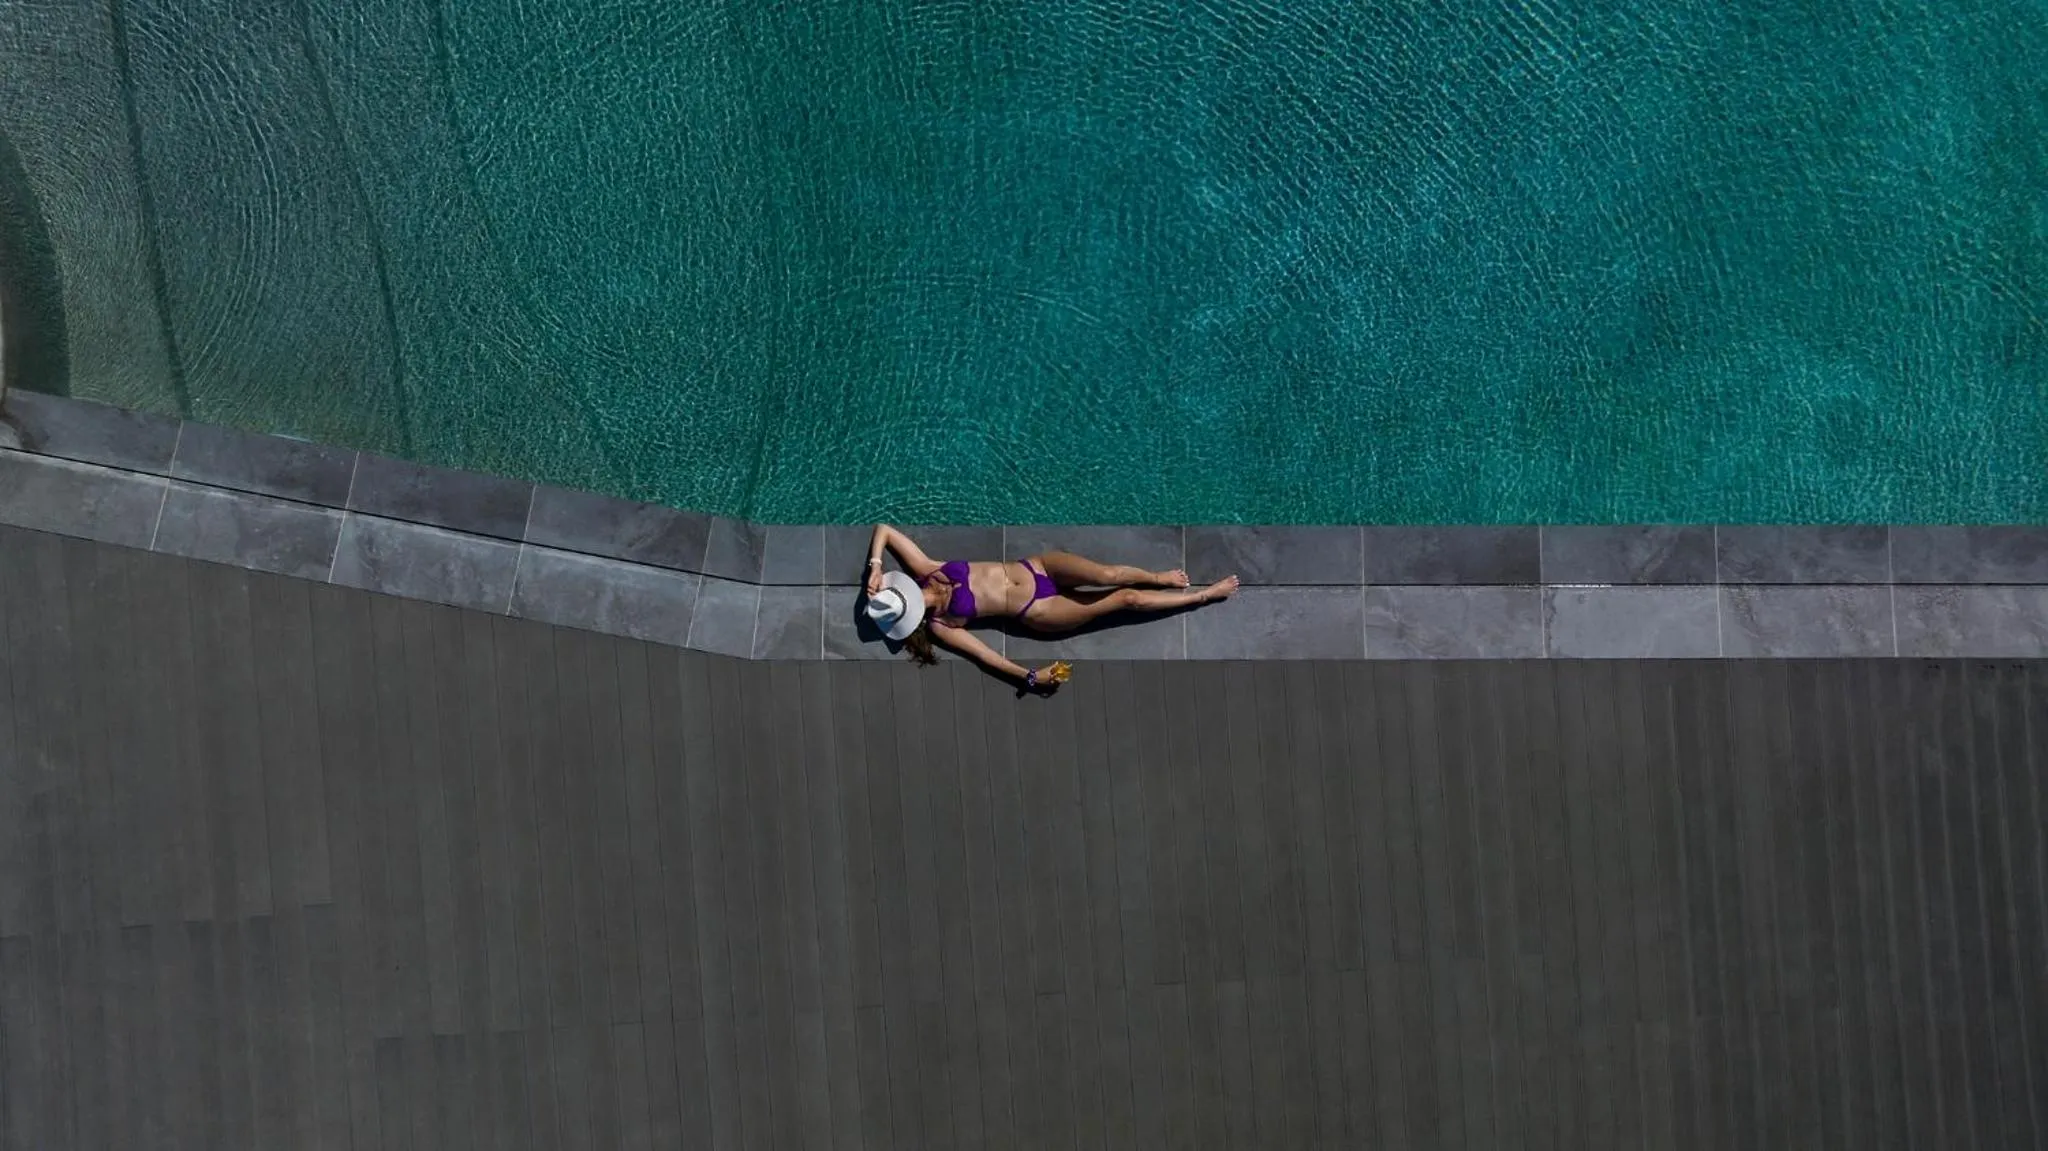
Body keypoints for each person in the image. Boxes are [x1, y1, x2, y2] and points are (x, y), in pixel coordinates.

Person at [861, 523, 1238, 690]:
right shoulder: (943, 625)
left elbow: (885, 529)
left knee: (1108, 573)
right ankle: (1203, 596)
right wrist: (1030, 677)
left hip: (1036, 566)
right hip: (1039, 609)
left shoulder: (928, 570)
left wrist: (875, 567)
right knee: (1126, 599)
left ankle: (1158, 577)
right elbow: (987, 657)